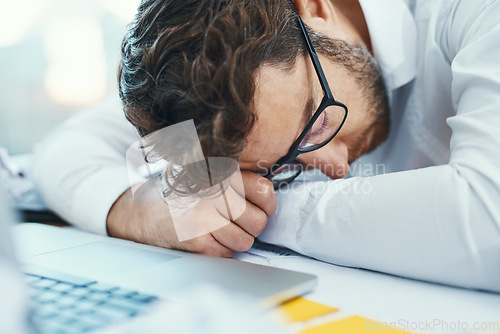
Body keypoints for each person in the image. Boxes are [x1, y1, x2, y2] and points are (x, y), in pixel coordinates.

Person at [34, 0, 500, 292]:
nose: (334, 168)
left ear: (315, 8)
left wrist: (261, 210)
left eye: (315, 125)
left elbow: (488, 218)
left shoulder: (476, 13)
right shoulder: (203, 82)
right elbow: (69, 146)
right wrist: (141, 210)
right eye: (274, 169)